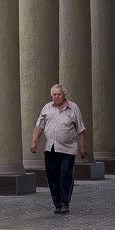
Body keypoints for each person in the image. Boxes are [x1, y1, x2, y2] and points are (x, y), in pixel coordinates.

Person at [30, 83, 87, 215]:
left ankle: (65, 202)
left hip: (67, 149)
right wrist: (34, 142)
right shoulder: (47, 108)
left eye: (59, 94)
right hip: (51, 149)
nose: (56, 96)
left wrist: (82, 147)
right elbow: (39, 126)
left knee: (66, 174)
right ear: (52, 95)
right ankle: (57, 203)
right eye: (54, 94)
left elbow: (81, 130)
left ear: (64, 95)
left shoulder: (73, 108)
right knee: (52, 177)